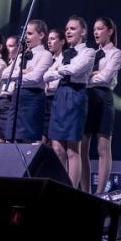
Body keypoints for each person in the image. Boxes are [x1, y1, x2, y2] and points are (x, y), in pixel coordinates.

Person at [43, 16, 95, 187]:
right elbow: (46, 75)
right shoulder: (64, 53)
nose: (68, 32)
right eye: (66, 29)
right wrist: (60, 70)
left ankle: (71, 190)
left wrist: (59, 70)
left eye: (73, 28)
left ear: (83, 32)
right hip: (59, 96)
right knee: (57, 147)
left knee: (73, 149)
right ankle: (60, 185)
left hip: (75, 96)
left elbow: (75, 69)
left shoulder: (88, 52)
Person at [81, 17, 121, 194]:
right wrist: (93, 75)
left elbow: (105, 77)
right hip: (87, 97)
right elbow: (80, 76)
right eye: (94, 29)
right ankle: (85, 191)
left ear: (110, 31)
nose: (96, 32)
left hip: (104, 97)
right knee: (82, 146)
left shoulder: (115, 53)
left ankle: (100, 193)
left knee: (103, 147)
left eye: (99, 29)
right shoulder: (91, 53)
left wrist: (91, 76)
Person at [6, 20, 52, 143]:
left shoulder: (45, 54)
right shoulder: (20, 55)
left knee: (27, 139)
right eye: (25, 33)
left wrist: (17, 74)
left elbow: (35, 77)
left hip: (33, 97)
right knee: (10, 138)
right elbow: (5, 75)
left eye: (30, 33)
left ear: (41, 35)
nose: (26, 37)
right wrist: (24, 72)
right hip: (17, 96)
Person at [43, 29, 66, 144]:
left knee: (55, 140)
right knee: (42, 137)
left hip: (57, 99)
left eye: (52, 39)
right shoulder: (47, 59)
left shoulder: (65, 58)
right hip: (45, 99)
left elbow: (61, 78)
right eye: (48, 39)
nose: (49, 42)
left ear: (62, 41)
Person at [0, 35, 18, 142]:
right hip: (1, 101)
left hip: (11, 100)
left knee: (8, 137)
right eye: (7, 46)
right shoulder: (8, 63)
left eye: (11, 46)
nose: (8, 49)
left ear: (19, 47)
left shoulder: (20, 62)